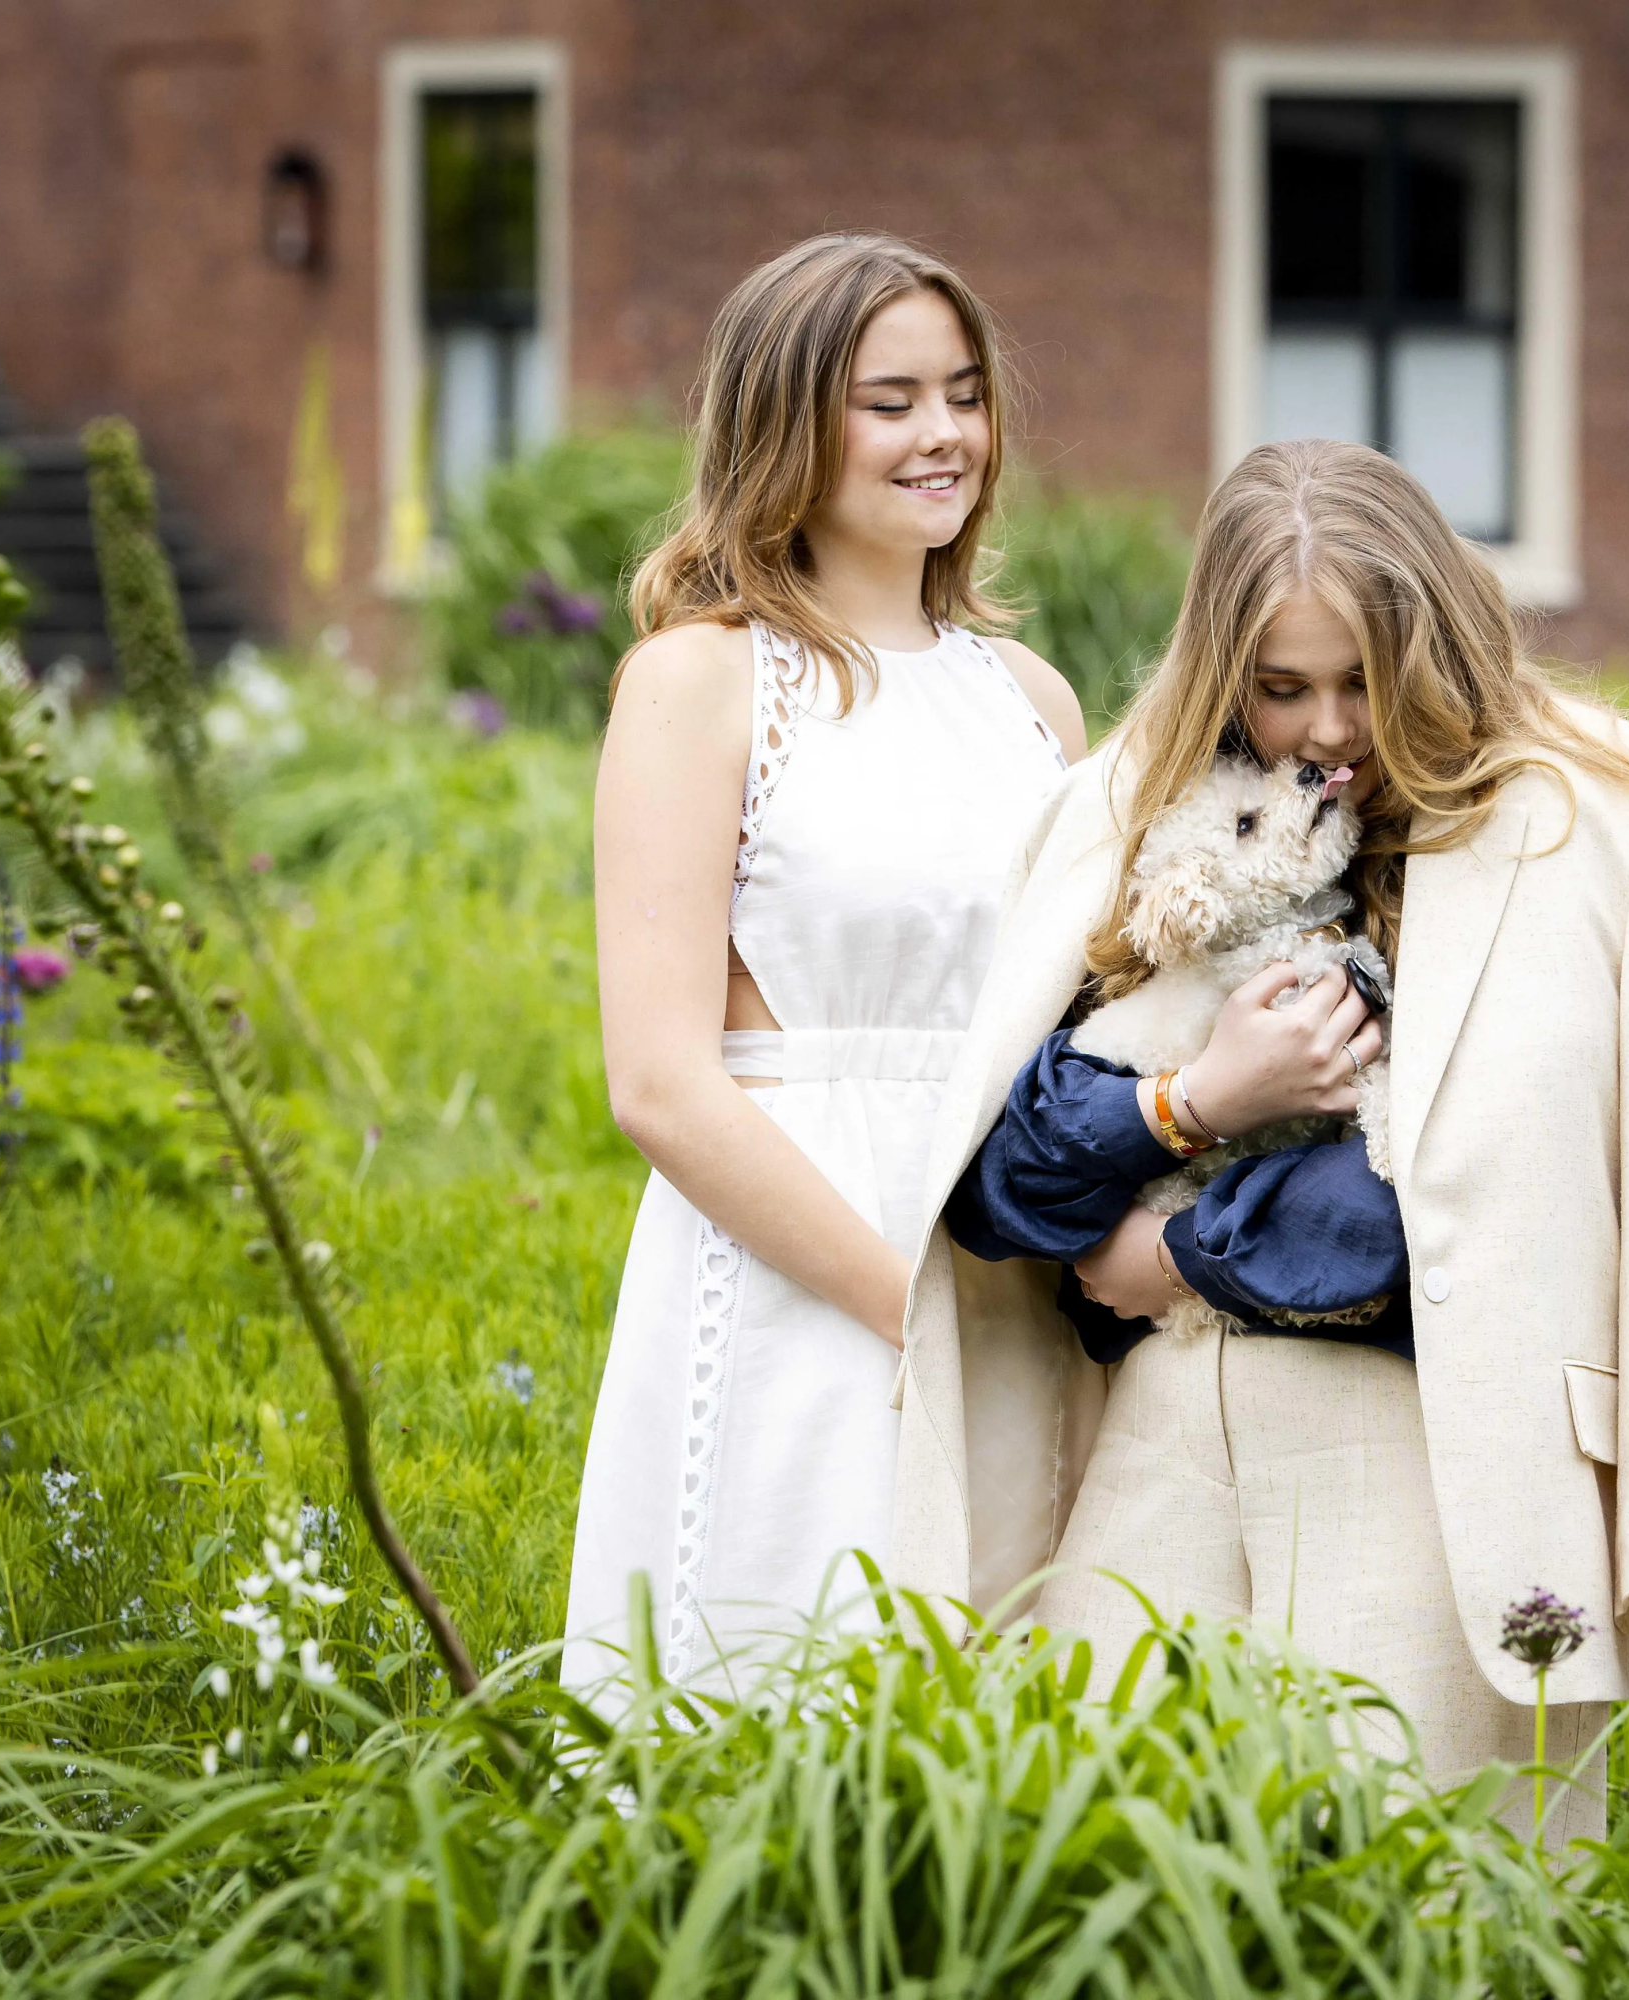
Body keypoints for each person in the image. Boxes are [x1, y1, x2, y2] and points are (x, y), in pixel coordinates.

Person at [887, 439, 1629, 1840]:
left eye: (1363, 678)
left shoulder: (1624, 821)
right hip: (1160, 1428)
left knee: (1431, 1902)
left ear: (1444, 639)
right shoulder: (1135, 812)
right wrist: (1193, 1105)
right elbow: (991, 1164)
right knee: (1104, 1869)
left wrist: (1176, 1247)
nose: (1327, 729)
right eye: (1283, 686)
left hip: (1442, 1445)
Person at [562, 234, 1085, 1702]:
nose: (944, 437)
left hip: (1008, 1253)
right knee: (782, 1684)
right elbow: (662, 1084)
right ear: (788, 423)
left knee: (993, 1706)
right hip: (800, 1264)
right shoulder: (703, 679)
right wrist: (901, 1302)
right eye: (891, 400)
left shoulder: (1030, 699)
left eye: (965, 396)